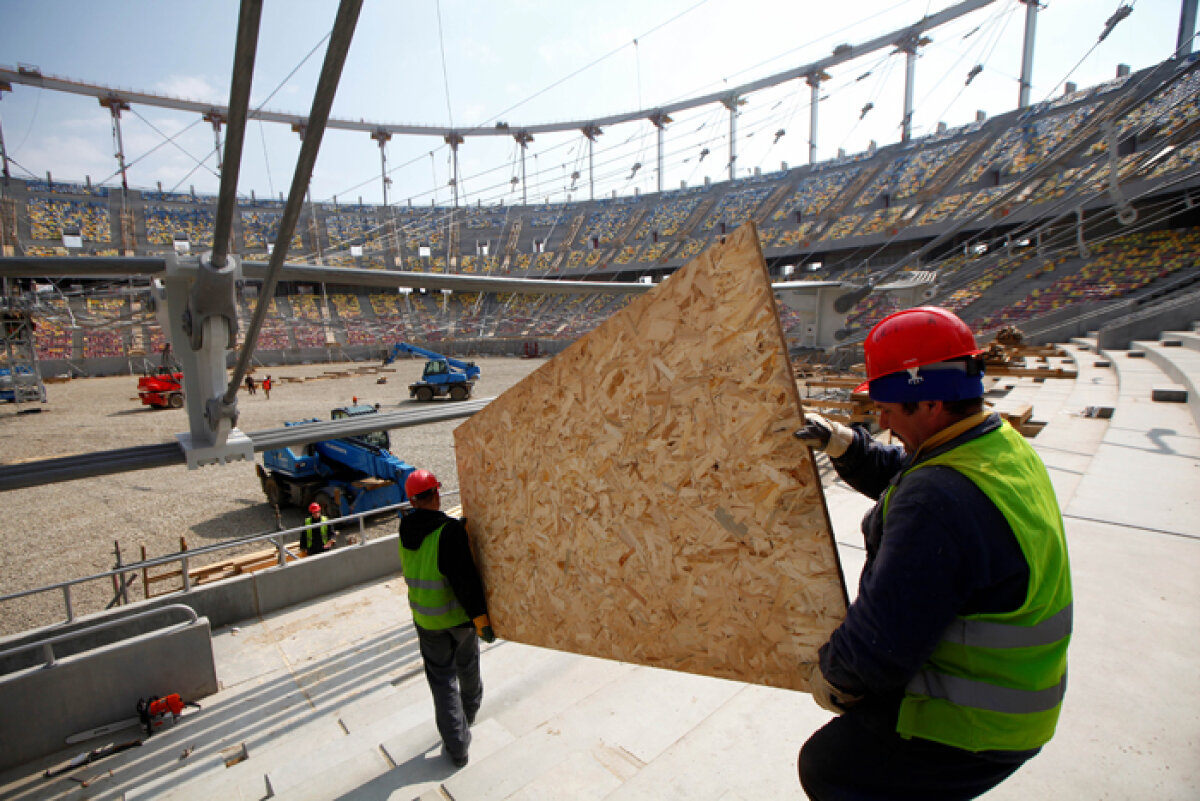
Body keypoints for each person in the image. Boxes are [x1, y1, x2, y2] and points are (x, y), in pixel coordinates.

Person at [793, 306, 1072, 801]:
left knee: (832, 766)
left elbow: (882, 642)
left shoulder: (939, 502)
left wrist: (833, 676)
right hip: (1024, 697)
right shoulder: (995, 445)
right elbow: (912, 475)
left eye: (890, 409)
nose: (879, 418)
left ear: (931, 405)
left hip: (976, 721)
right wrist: (845, 445)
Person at [398, 469, 495, 769]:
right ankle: (469, 714)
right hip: (457, 620)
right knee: (466, 665)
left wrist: (454, 531)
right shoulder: (448, 532)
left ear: (412, 501)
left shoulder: (404, 530)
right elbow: (465, 580)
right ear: (437, 494)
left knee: (441, 681)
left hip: (425, 621)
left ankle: (456, 746)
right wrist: (481, 620)